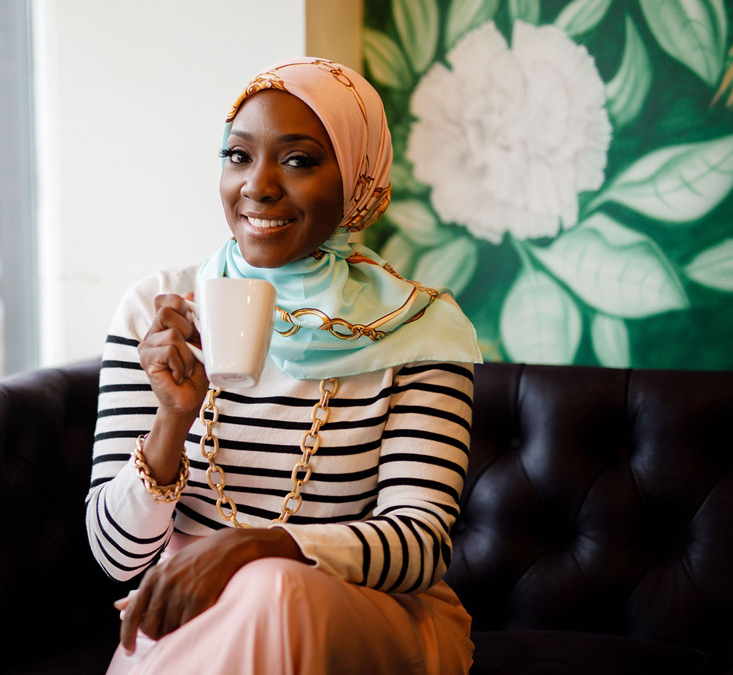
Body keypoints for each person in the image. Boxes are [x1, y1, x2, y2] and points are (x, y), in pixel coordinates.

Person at [86, 57, 483, 674]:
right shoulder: (156, 313)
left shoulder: (418, 327)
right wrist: (171, 421)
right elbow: (117, 559)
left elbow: (419, 544)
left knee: (273, 589)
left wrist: (258, 550)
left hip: (368, 614)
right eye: (238, 156)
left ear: (355, 177)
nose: (258, 186)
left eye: (297, 160)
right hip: (192, 619)